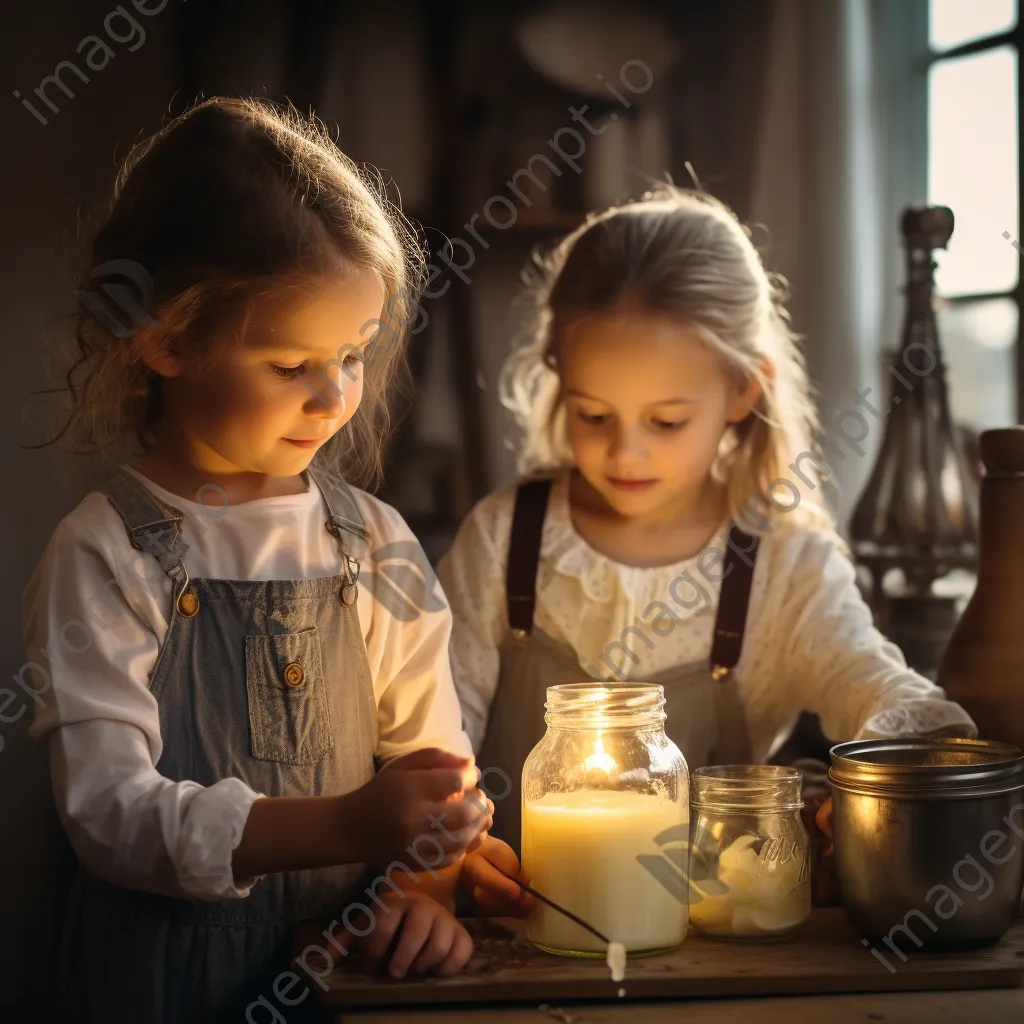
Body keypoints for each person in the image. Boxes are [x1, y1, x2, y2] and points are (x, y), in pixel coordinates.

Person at [22, 97, 504, 1024]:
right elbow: (109, 815)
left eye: (354, 354)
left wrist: (424, 890)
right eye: (290, 366)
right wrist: (343, 825)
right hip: (162, 982)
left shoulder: (378, 541)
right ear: (166, 339)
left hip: (348, 970)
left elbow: (434, 763)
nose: (335, 396)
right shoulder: (105, 549)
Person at [437, 186, 977, 858]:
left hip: (710, 945)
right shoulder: (503, 539)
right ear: (558, 371)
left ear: (744, 389)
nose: (625, 451)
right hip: (502, 935)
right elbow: (434, 730)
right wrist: (440, 862)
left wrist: (886, 783)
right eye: (593, 414)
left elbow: (874, 687)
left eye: (666, 421)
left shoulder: (784, 564)